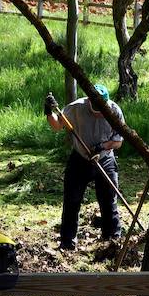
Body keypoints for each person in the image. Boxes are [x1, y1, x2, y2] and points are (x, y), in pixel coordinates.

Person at [44, 84, 124, 251]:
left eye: (103, 108)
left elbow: (118, 142)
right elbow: (57, 126)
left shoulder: (114, 111)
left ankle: (112, 240)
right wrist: (48, 111)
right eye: (97, 109)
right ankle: (67, 243)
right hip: (80, 159)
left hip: (105, 159)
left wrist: (102, 147)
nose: (100, 112)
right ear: (89, 102)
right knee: (71, 201)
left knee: (109, 200)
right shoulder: (76, 108)